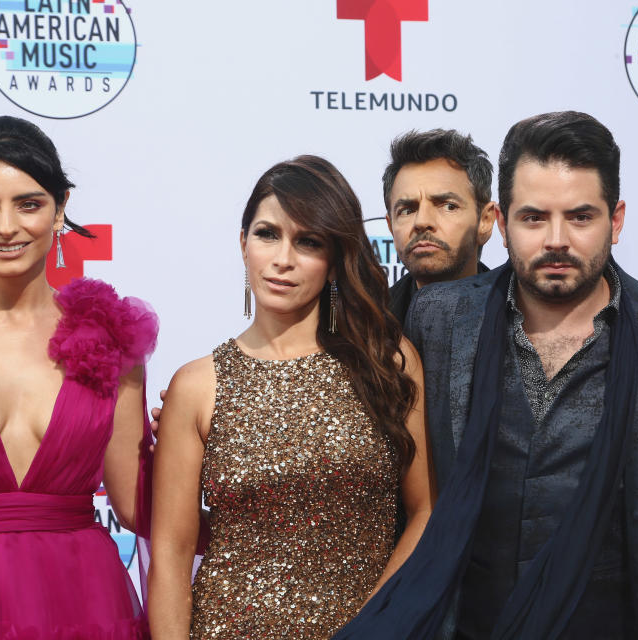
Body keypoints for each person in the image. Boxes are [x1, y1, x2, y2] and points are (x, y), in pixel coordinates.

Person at [357, 111, 638, 639]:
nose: (556, 239)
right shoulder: (438, 319)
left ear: (615, 220)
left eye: (581, 217)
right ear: (500, 222)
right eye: (533, 218)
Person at [147, 155, 433, 638]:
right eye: (267, 234)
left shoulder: (387, 362)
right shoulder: (196, 385)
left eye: (308, 242)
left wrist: (371, 627)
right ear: (243, 244)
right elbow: (172, 555)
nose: (283, 259)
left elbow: (425, 512)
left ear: (335, 258)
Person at [0, 115, 156, 638]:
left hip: (86, 602)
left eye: (29, 203)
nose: (5, 227)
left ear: (61, 207)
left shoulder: (110, 333)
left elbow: (136, 509)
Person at [382, 129, 496, 322]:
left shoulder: (523, 318)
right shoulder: (364, 328)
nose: (422, 222)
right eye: (407, 210)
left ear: (485, 221)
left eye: (448, 206)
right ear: (391, 227)